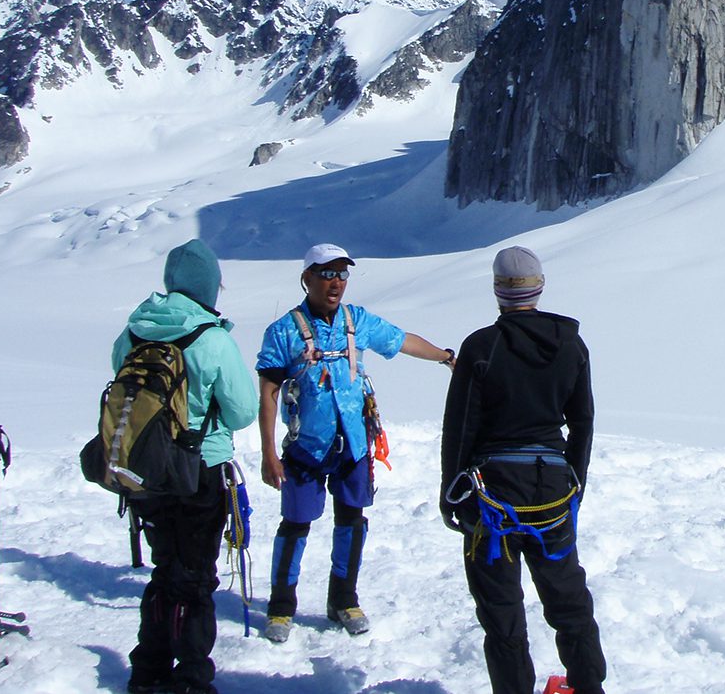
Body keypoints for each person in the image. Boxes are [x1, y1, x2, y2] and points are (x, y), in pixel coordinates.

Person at [257, 242, 453, 642]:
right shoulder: (282, 332)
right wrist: (267, 453)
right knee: (295, 525)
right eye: (327, 273)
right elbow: (268, 393)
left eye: (342, 274)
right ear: (307, 277)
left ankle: (343, 600)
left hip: (354, 443)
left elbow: (401, 340)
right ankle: (280, 606)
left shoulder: (356, 320)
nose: (336, 283)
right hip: (305, 447)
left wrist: (446, 357)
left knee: (352, 521)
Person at [441, 246, 607, 694]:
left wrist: (449, 493)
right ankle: (589, 686)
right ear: (540, 286)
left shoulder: (481, 346)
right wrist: (576, 481)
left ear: (497, 291)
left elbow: (461, 427)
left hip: (491, 493)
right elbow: (583, 421)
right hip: (552, 487)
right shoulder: (571, 344)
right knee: (568, 598)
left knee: (502, 611)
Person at [114, 239, 259, 694]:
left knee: (164, 567)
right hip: (202, 468)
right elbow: (242, 412)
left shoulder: (133, 332)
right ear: (209, 287)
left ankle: (148, 668)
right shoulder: (212, 338)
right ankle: (192, 675)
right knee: (196, 575)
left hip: (147, 470)